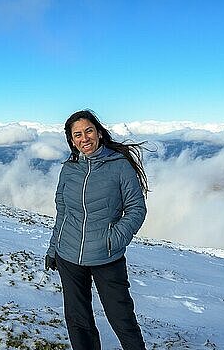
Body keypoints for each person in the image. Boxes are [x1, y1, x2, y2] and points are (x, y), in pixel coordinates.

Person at [45, 109, 149, 350]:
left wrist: (113, 239)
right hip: (68, 255)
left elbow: (136, 209)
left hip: (106, 256)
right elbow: (63, 212)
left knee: (122, 320)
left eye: (89, 131)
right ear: (71, 140)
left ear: (99, 133)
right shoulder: (69, 169)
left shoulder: (119, 166)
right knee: (78, 321)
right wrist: (53, 249)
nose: (85, 138)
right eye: (78, 134)